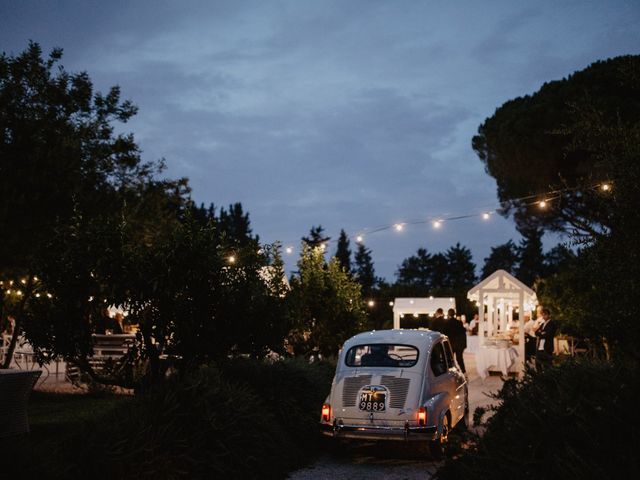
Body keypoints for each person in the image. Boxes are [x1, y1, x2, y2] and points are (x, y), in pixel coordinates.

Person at [444, 308, 467, 373]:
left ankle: (452, 372)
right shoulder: (459, 322)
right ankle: (464, 372)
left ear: (448, 314)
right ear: (454, 314)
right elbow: (463, 331)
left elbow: (444, 334)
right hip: (459, 344)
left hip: (450, 344)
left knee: (450, 359)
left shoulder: (446, 323)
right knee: (459, 359)